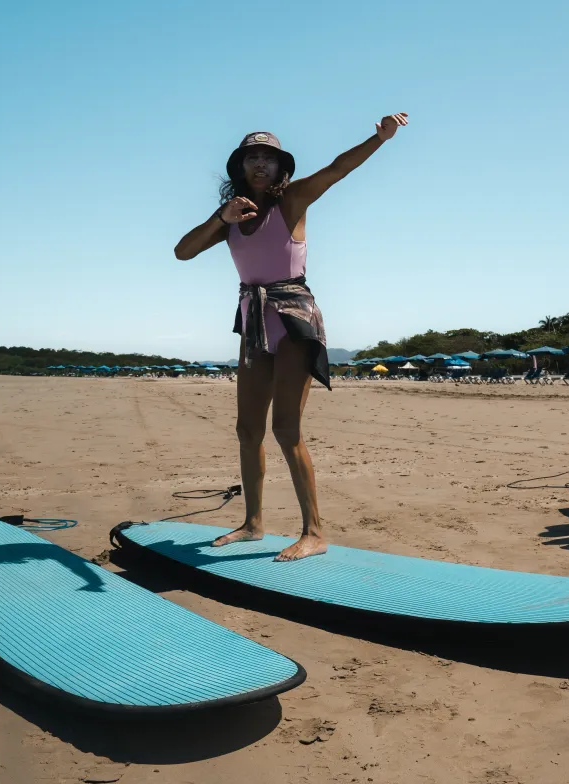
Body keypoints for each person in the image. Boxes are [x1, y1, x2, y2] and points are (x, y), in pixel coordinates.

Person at [173, 114, 410, 561]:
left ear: (282, 168)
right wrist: (219, 219)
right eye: (251, 158)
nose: (259, 165)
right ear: (239, 168)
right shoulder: (230, 216)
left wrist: (378, 139)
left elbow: (338, 169)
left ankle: (314, 532)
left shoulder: (293, 201)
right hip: (254, 321)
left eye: (268, 158)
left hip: (294, 318)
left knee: (286, 429)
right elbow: (182, 252)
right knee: (247, 430)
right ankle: (253, 523)